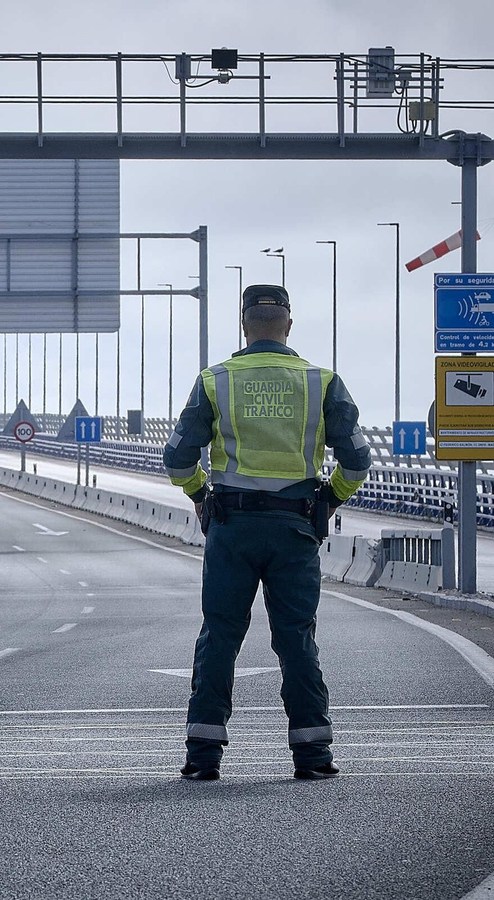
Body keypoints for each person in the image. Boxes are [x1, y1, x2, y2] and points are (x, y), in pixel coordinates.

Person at [162, 284, 371, 781]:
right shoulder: (321, 382)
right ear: (288, 326)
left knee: (219, 635)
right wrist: (330, 499)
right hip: (295, 527)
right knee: (296, 638)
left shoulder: (215, 381)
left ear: (243, 325)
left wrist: (199, 493)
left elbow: (177, 458)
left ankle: (203, 756)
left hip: (231, 527)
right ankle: (313, 755)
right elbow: (358, 460)